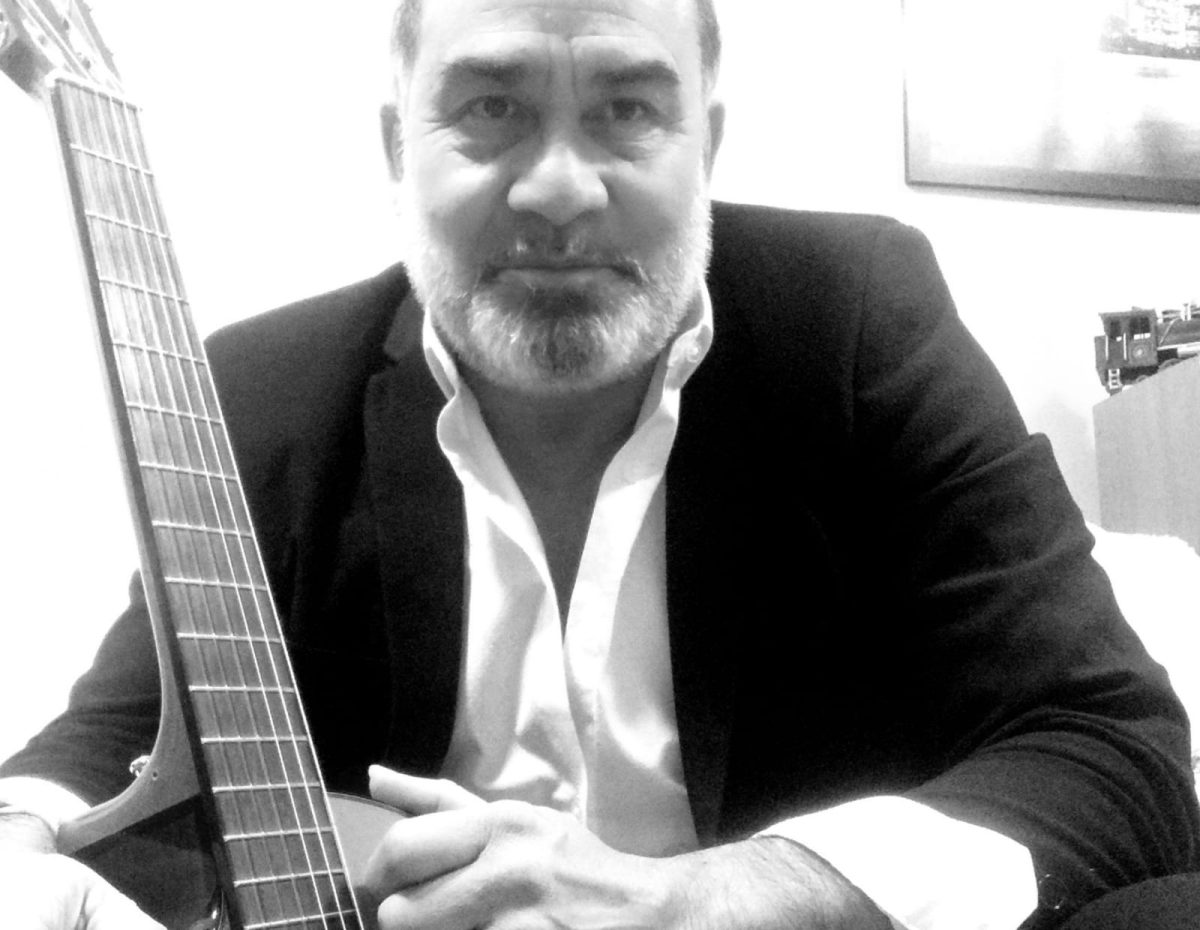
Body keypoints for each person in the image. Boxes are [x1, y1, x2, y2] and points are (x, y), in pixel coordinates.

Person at [1, 0, 1197, 927]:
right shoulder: (265, 388)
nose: (560, 190)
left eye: (627, 108)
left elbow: (1114, 748)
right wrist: (22, 843)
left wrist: (714, 898)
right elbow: (117, 735)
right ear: (396, 145)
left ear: (708, 142)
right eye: (490, 107)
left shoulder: (858, 324)